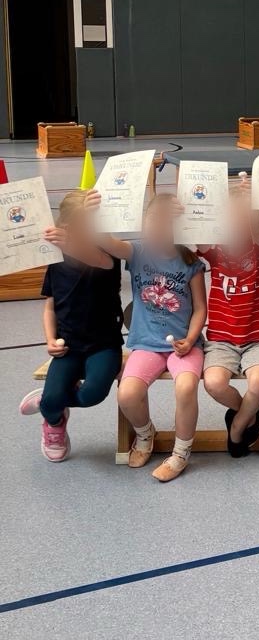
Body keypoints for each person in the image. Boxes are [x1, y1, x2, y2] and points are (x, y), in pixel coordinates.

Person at [102, 192, 207, 483]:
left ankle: (181, 453)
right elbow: (106, 242)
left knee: (186, 387)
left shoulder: (191, 263)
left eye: (166, 222)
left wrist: (190, 339)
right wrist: (97, 211)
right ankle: (145, 434)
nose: (159, 228)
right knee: (127, 394)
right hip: (146, 344)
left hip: (183, 346)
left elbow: (200, 309)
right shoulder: (137, 252)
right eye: (154, 220)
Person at [18, 190, 124, 463]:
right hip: (69, 347)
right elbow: (50, 306)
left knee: (91, 394)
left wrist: (72, 243)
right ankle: (53, 420)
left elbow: (97, 261)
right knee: (53, 403)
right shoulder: (56, 262)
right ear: (65, 226)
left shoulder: (106, 255)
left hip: (103, 345)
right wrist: (50, 339)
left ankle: (49, 402)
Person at [199, 176, 259, 458]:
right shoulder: (216, 252)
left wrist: (252, 202)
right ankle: (249, 415)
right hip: (222, 340)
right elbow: (194, 231)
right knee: (214, 383)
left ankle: (237, 427)